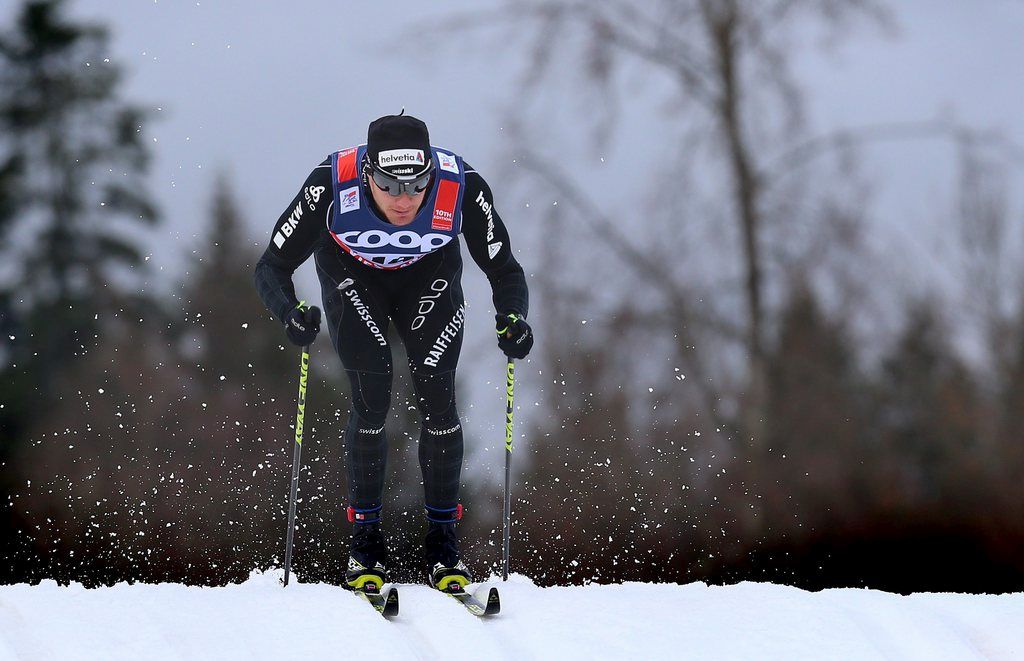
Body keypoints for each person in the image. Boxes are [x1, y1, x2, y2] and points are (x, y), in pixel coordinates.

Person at [254, 113, 533, 593]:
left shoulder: (460, 185)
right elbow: (271, 265)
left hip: (429, 275)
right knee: (373, 398)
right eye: (389, 186)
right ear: (367, 175)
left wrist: (513, 318)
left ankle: (444, 549)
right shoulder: (330, 185)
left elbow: (505, 269)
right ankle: (365, 546)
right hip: (352, 274)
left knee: (439, 401)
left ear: (431, 174)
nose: (404, 200)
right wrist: (289, 312)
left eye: (416, 185)